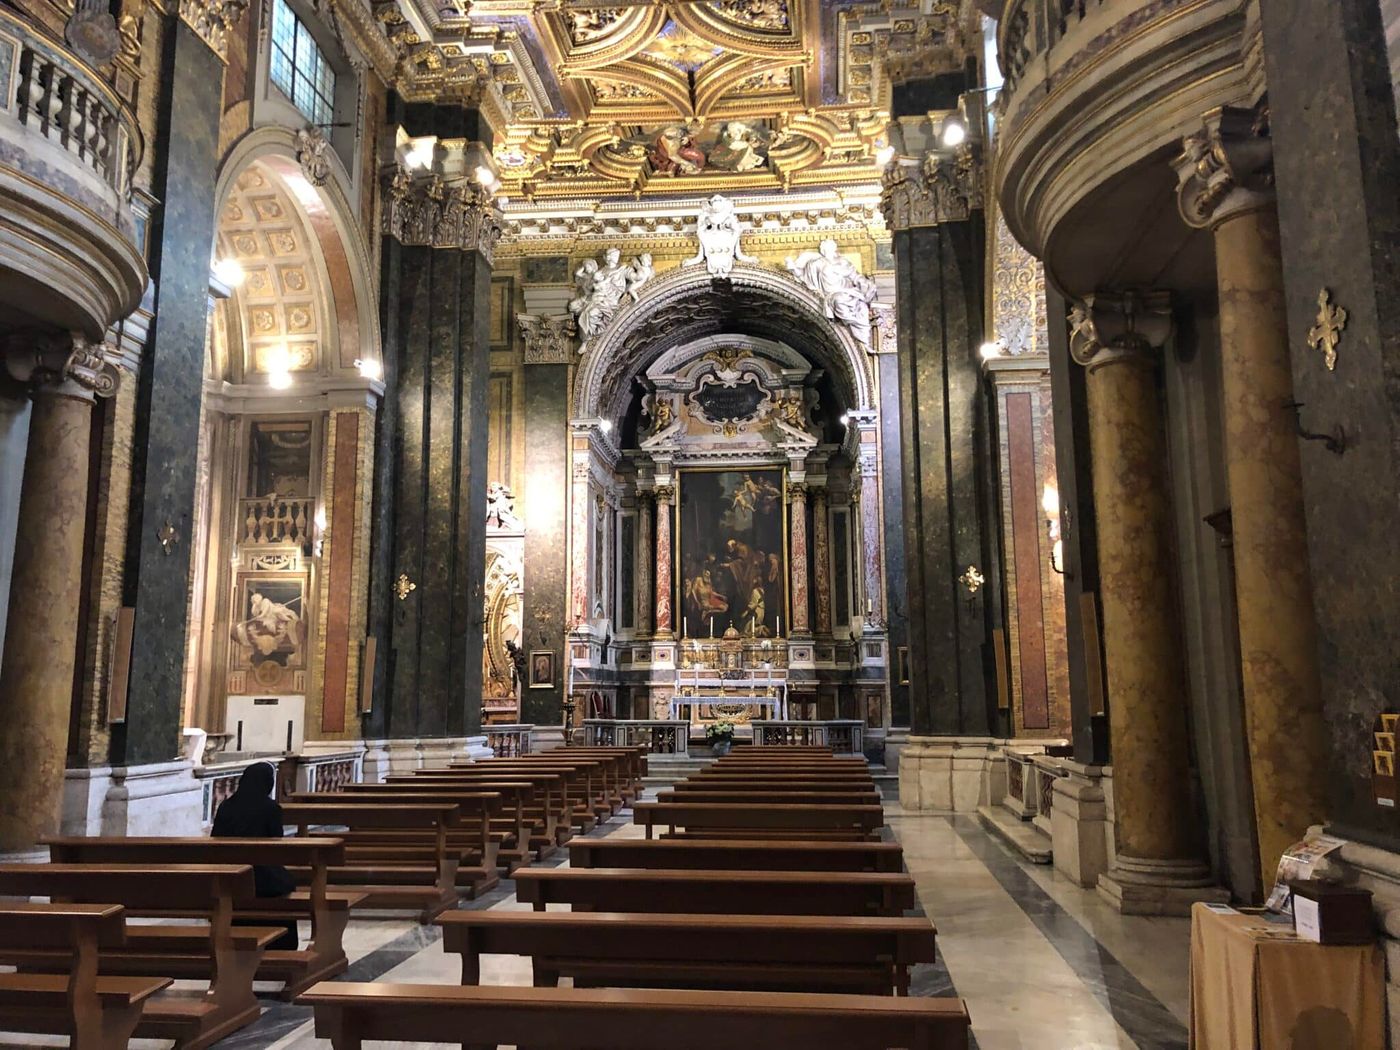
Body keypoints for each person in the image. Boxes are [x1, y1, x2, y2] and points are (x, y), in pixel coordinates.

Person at [211, 761, 298, 949]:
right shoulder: (271, 808)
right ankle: (282, 944)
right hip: (263, 879)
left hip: (231, 878)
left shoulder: (226, 807)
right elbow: (277, 844)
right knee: (287, 883)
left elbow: (215, 840)